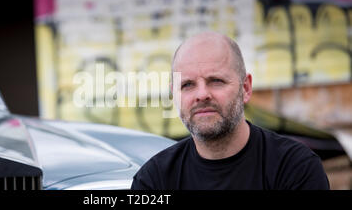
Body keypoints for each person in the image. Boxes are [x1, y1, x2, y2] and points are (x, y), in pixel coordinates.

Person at [131, 31, 330, 190]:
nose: (202, 95)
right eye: (187, 85)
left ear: (245, 88)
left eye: (216, 81)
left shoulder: (295, 168)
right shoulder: (154, 179)